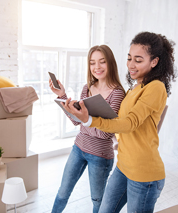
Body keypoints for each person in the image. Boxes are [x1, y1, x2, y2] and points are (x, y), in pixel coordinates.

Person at [62, 31, 177, 213]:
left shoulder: (156, 87)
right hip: (123, 165)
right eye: (129, 58)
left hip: (144, 174)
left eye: (138, 60)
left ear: (154, 62)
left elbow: (129, 123)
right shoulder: (136, 87)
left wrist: (89, 120)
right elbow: (119, 123)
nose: (131, 65)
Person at [49, 45, 125, 213]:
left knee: (97, 201)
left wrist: (86, 122)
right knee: (62, 192)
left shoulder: (118, 94)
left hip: (100, 156)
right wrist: (62, 96)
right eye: (92, 63)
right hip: (78, 148)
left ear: (110, 63)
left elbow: (106, 133)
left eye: (102, 62)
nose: (96, 67)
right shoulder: (87, 88)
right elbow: (77, 121)